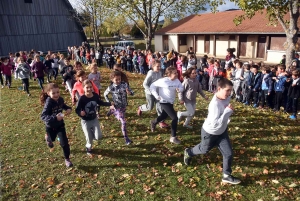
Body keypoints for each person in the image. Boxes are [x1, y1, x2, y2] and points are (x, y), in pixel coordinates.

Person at [183, 78, 241, 185]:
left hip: (222, 132)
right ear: (219, 89)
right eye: (227, 90)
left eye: (230, 91)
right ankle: (189, 152)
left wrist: (227, 115)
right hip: (210, 132)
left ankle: (226, 175)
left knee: (228, 153)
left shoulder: (225, 98)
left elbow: (223, 115)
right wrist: (227, 113)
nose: (229, 94)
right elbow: (216, 123)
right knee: (204, 149)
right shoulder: (214, 105)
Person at [76, 80, 114, 155]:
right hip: (85, 121)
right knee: (89, 138)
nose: (89, 89)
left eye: (91, 87)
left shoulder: (95, 96)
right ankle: (88, 147)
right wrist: (80, 113)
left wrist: (109, 104)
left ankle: (92, 134)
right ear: (83, 88)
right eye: (87, 87)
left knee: (98, 136)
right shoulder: (82, 98)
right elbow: (77, 109)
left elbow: (100, 102)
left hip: (94, 119)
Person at [40, 83, 73, 167]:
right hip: (50, 126)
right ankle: (48, 138)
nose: (56, 94)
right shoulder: (49, 103)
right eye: (53, 93)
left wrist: (68, 108)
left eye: (57, 92)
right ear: (48, 93)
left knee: (64, 143)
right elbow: (43, 116)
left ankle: (67, 159)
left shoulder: (60, 99)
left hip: (60, 125)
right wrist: (55, 118)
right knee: (52, 139)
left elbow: (63, 105)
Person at [149, 66, 183, 144]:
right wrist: (156, 95)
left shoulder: (177, 81)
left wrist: (179, 89)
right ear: (169, 74)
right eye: (174, 73)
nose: (176, 74)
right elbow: (152, 86)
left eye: (176, 72)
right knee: (175, 118)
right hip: (164, 101)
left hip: (171, 102)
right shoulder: (163, 81)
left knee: (164, 116)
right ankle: (173, 137)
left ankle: (154, 122)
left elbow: (181, 87)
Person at [104, 71, 134, 145]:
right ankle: (126, 139)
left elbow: (132, 92)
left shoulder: (125, 84)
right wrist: (109, 103)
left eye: (119, 79)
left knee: (121, 116)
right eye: (116, 80)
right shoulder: (111, 87)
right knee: (123, 122)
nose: (118, 81)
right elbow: (105, 94)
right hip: (117, 107)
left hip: (123, 106)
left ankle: (111, 111)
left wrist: (130, 93)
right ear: (112, 80)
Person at [137, 60, 169, 128]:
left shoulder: (160, 72)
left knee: (159, 107)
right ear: (153, 66)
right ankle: (140, 107)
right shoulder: (151, 73)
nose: (159, 67)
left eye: (160, 66)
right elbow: (144, 84)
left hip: (158, 93)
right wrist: (151, 91)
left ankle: (161, 122)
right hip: (150, 93)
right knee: (150, 107)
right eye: (157, 66)